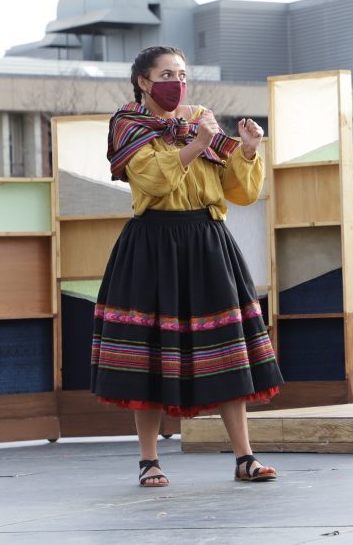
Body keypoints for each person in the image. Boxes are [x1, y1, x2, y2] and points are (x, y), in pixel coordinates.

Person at [91, 45, 284, 487]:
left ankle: (245, 457)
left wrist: (249, 151)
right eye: (165, 73)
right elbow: (151, 180)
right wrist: (196, 143)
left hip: (208, 242)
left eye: (181, 73)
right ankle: (149, 460)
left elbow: (239, 192)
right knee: (150, 356)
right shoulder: (129, 124)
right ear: (143, 81)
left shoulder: (202, 119)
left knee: (228, 353)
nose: (176, 81)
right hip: (152, 244)